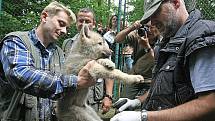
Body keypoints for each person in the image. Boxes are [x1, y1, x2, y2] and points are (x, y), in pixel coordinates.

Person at [111, 0, 215, 121]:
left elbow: (209, 103)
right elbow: (162, 86)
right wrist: (137, 101)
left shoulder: (201, 38)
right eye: (149, 16)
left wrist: (144, 117)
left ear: (176, 3)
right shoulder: (167, 41)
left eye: (156, 12)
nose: (152, 22)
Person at [0, 1, 97, 121]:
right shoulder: (15, 41)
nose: (64, 31)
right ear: (44, 17)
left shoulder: (59, 53)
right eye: (61, 23)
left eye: (66, 27)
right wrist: (75, 81)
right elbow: (20, 74)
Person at [62, 8, 113, 114]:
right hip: (71, 95)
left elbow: (109, 72)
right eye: (81, 21)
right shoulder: (67, 43)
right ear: (76, 22)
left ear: (93, 24)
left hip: (92, 97)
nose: (84, 24)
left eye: (88, 21)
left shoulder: (101, 44)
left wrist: (108, 96)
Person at [114, 20, 161, 100]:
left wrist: (147, 47)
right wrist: (132, 28)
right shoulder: (138, 36)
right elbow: (117, 39)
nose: (148, 30)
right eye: (147, 27)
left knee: (150, 106)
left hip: (153, 79)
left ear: (158, 27)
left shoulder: (163, 40)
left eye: (151, 27)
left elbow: (157, 61)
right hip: (135, 75)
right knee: (123, 102)